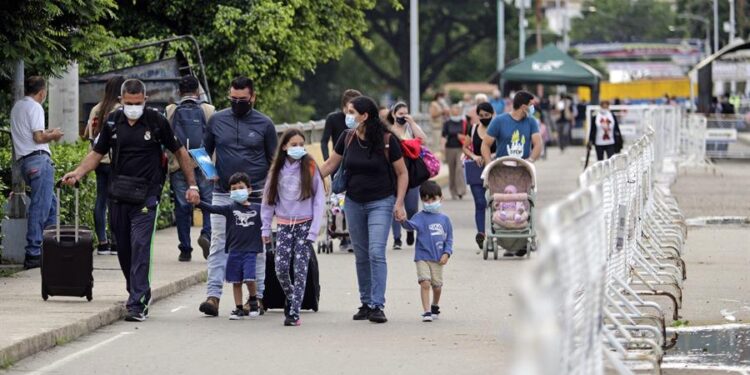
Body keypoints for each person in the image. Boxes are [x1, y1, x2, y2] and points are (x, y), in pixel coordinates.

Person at [62, 78, 200, 322]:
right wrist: (78, 172)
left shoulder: (156, 121)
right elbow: (97, 153)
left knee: (140, 246)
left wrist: (192, 185)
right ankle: (136, 290)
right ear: (121, 101)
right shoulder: (113, 122)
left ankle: (137, 303)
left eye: (138, 103)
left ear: (144, 100)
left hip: (147, 196)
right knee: (124, 249)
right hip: (119, 194)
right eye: (129, 103)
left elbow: (180, 151)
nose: (133, 107)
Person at [319, 96, 408, 324]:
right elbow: (330, 164)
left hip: (381, 201)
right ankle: (366, 302)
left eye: (351, 111)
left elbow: (402, 173)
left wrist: (398, 203)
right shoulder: (347, 138)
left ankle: (378, 304)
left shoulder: (387, 140)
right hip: (354, 202)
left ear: (364, 115)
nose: (347, 116)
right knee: (361, 254)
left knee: (376, 251)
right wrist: (301, 179)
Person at [199, 76, 278, 317]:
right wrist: (209, 172)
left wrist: (274, 194)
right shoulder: (216, 120)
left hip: (255, 196)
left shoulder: (265, 124)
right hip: (224, 193)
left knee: (256, 248)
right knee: (218, 244)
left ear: (252, 97)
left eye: (242, 99)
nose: (237, 103)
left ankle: (259, 298)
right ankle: (213, 297)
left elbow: (275, 161)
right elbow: (204, 152)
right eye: (233, 99)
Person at [261, 128, 325, 326]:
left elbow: (319, 199)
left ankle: (294, 312)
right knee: (280, 268)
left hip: (305, 225)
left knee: (300, 269)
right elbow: (268, 200)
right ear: (285, 146)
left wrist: (314, 229)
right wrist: (265, 228)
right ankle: (291, 297)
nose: (298, 148)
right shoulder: (276, 170)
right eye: (294, 144)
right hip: (284, 225)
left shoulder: (311, 166)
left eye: (301, 144)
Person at [10, 76, 63, 269]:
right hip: (39, 160)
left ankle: (47, 248)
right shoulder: (36, 107)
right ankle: (33, 253)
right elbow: (38, 137)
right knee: (41, 207)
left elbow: (30, 133)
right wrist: (54, 135)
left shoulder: (18, 106)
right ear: (42, 92)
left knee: (51, 206)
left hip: (26, 162)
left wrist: (47, 132)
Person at [198, 172, 263, 320]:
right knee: (236, 281)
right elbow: (212, 209)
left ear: (249, 190)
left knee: (249, 278)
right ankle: (239, 308)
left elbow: (273, 211)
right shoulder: (229, 209)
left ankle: (253, 299)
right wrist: (197, 202)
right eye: (233, 189)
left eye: (240, 188)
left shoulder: (259, 209)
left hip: (251, 251)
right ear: (229, 192)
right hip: (234, 251)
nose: (237, 191)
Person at [165, 75, 215, 262]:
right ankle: (207, 235)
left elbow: (166, 137)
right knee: (209, 202)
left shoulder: (170, 109)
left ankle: (185, 248)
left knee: (182, 205)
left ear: (179, 92)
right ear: (198, 91)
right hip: (204, 159)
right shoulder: (208, 109)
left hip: (178, 161)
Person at [399, 181, 453, 322]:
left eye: (433, 199)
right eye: (426, 200)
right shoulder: (419, 217)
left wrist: (447, 253)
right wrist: (402, 220)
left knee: (437, 286)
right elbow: (410, 226)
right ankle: (427, 311)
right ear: (422, 200)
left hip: (438, 258)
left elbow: (449, 239)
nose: (430, 203)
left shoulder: (445, 220)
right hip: (422, 256)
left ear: (441, 198)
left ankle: (435, 305)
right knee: (425, 283)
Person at [83, 75, 125, 256]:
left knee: (100, 201)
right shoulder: (121, 110)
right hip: (117, 162)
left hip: (98, 161)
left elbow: (87, 134)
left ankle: (102, 243)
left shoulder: (96, 109)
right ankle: (116, 242)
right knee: (116, 202)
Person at [320, 89, 360, 252]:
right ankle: (342, 233)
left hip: (356, 163)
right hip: (338, 163)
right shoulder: (333, 119)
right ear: (344, 107)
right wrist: (328, 162)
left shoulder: (362, 122)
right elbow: (324, 141)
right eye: (349, 110)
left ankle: (351, 235)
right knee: (338, 202)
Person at [386, 102, 427, 250]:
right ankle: (397, 238)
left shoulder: (410, 129)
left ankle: (410, 229)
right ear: (393, 114)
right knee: (395, 205)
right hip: (393, 173)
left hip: (411, 172)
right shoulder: (389, 131)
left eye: (406, 113)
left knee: (411, 207)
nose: (403, 117)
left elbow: (423, 139)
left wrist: (412, 122)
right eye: (400, 114)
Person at [462, 102, 496, 251]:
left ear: (492, 114)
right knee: (480, 203)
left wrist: (492, 155)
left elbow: (502, 146)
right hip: (477, 169)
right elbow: (464, 147)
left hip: (494, 169)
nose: (484, 118)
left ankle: (495, 233)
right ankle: (481, 234)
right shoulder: (473, 128)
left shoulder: (497, 128)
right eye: (481, 116)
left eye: (486, 116)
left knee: (496, 203)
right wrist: (474, 156)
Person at [481, 90, 542, 165]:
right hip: (502, 169)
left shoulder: (531, 121)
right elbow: (485, 144)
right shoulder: (498, 121)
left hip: (523, 169)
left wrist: (530, 161)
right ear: (523, 107)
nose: (533, 107)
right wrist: (489, 163)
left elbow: (538, 144)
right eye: (531, 105)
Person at [321, 89, 362, 161]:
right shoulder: (332, 118)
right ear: (345, 103)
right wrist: (327, 159)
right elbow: (324, 141)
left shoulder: (360, 118)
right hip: (338, 161)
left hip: (357, 160)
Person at [442, 104, 467, 200]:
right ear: (451, 111)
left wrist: (463, 137)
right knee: (451, 170)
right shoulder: (447, 123)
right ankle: (453, 191)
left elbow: (469, 136)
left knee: (459, 169)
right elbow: (443, 136)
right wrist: (442, 148)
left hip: (461, 148)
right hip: (449, 148)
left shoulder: (464, 122)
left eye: (457, 109)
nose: (456, 110)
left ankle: (460, 190)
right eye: (454, 109)